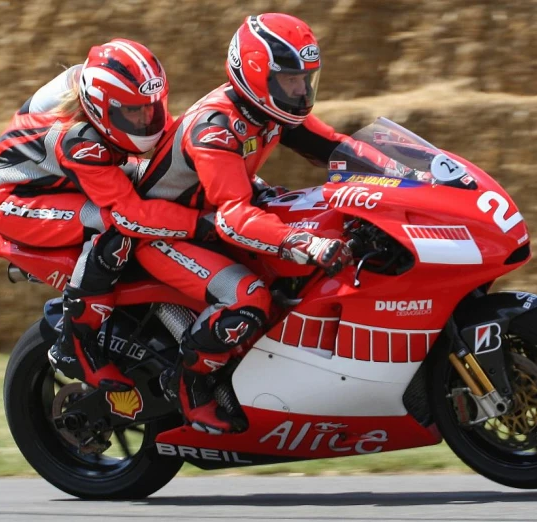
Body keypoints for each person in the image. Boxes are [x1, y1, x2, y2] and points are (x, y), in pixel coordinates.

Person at [132, 13, 409, 434]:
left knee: (325, 222)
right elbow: (233, 217)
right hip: (167, 232)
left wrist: (407, 175)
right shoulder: (216, 128)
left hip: (209, 220)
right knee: (250, 299)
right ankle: (190, 384)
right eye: (291, 80)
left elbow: (334, 147)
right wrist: (306, 243)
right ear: (257, 77)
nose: (301, 91)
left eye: (306, 80)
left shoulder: (270, 110)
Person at [0, 39, 214, 392]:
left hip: (57, 179)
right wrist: (203, 226)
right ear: (102, 108)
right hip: (17, 198)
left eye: (150, 108)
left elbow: (174, 139)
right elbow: (131, 213)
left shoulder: (98, 90)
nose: (145, 119)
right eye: (132, 112)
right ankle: (75, 344)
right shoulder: (81, 142)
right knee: (117, 226)